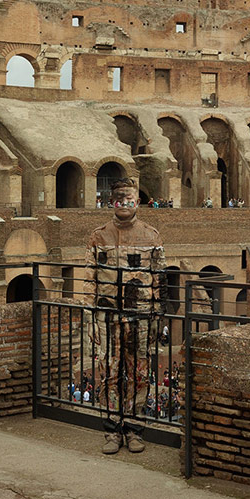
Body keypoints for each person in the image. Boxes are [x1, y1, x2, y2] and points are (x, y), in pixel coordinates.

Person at [86, 178, 165, 455]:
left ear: (137, 203)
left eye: (129, 200)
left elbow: (159, 279)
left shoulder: (151, 236)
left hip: (141, 316)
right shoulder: (99, 235)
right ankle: (112, 431)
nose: (124, 205)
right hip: (107, 316)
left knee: (138, 374)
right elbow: (89, 279)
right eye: (119, 200)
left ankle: (134, 430)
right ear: (111, 202)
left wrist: (157, 317)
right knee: (109, 373)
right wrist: (89, 317)